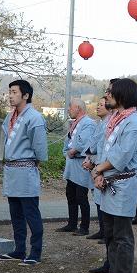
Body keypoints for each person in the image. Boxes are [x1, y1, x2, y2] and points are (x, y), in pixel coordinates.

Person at [90, 78, 137, 273]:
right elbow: (105, 150)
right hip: (107, 182)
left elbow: (122, 156)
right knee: (110, 233)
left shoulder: (134, 123)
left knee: (122, 234)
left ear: (122, 95)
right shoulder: (115, 119)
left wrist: (98, 170)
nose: (106, 95)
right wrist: (99, 172)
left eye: (110, 92)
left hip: (121, 184)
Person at [0, 79, 48, 266]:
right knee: (15, 213)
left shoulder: (34, 117)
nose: (10, 95)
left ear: (25, 95)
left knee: (31, 213)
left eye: (14, 92)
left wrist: (35, 162)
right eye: (9, 91)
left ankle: (35, 252)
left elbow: (40, 147)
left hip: (25, 169)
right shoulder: (10, 116)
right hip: (11, 170)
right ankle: (19, 249)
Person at [83, 93, 114, 273]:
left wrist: (97, 167)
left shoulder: (122, 123)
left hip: (109, 174)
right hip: (99, 170)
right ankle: (109, 262)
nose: (99, 106)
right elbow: (95, 146)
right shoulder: (102, 124)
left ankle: (115, 267)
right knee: (104, 215)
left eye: (103, 103)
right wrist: (91, 161)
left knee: (116, 228)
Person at [56, 99, 96, 236]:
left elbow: (84, 141)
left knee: (81, 196)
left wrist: (72, 151)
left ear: (78, 108)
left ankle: (84, 226)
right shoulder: (75, 123)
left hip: (81, 163)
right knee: (71, 194)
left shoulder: (88, 123)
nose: (68, 110)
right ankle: (72, 223)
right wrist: (66, 152)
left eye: (70, 107)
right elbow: (69, 141)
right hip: (72, 163)